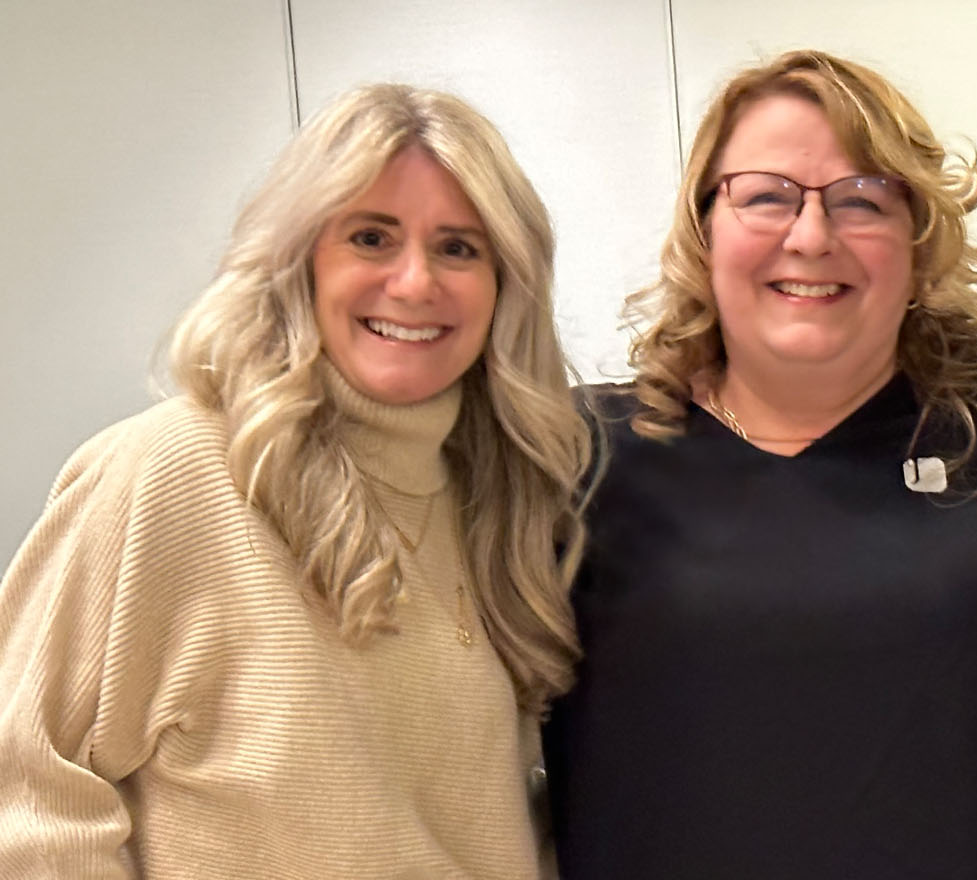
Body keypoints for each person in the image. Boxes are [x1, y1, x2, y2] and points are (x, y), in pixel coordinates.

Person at [541, 50, 977, 878]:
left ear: (918, 237)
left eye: (863, 200)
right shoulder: (569, 456)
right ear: (703, 225)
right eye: (765, 197)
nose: (812, 236)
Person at [0, 84, 592, 877]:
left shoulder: (503, 503)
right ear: (299, 259)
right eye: (371, 237)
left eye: (459, 247)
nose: (416, 283)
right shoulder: (170, 473)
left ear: (505, 285)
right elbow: (26, 799)